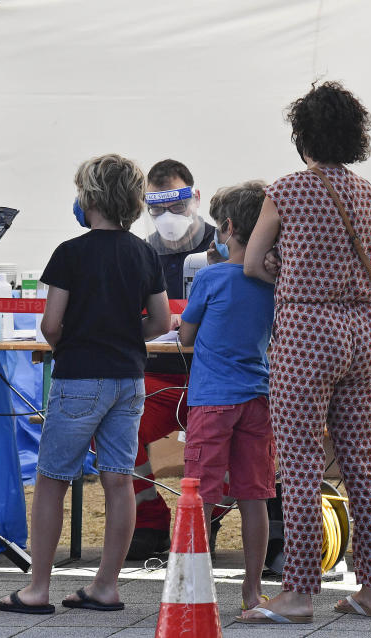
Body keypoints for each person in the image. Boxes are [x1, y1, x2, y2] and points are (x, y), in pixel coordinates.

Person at [239, 81, 371, 624]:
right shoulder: (366, 191)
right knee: (363, 463)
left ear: (302, 134)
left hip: (307, 329)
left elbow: (253, 263)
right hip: (360, 330)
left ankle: (299, 591)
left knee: (300, 463)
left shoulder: (287, 190)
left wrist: (286, 268)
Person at [0, 154, 170, 614]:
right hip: (129, 380)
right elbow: (162, 319)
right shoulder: (145, 253)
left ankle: (37, 589)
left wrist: (71, 341)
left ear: (88, 199)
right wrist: (130, 337)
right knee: (119, 480)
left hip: (78, 379)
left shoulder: (69, 253)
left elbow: (51, 325)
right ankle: (106, 585)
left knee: (53, 480)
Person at [178, 181, 275, 611]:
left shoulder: (209, 277)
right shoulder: (275, 281)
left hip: (212, 399)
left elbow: (185, 335)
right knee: (255, 497)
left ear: (229, 228)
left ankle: (191, 587)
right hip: (258, 396)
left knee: (199, 495)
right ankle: (252, 592)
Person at [127, 159, 219, 559]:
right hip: (161, 378)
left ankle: (208, 520)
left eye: (177, 206)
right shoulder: (142, 252)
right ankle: (148, 517)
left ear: (196, 199)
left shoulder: (224, 247)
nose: (168, 217)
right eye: (157, 209)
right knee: (115, 420)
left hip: (214, 377)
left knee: (232, 433)